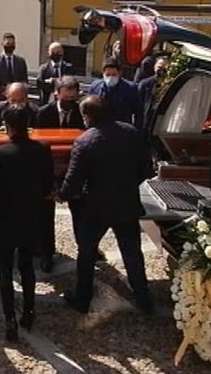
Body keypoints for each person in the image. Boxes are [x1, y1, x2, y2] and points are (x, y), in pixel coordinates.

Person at [59, 95, 152, 314]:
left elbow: (74, 180)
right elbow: (146, 169)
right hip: (126, 202)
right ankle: (144, 298)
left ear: (86, 116)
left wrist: (61, 195)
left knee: (87, 253)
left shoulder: (85, 141)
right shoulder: (130, 132)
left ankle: (82, 298)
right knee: (132, 253)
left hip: (95, 208)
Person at [0, 103, 54, 342]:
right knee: (26, 266)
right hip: (31, 216)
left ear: (7, 126)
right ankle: (30, 311)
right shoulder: (42, 149)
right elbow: (47, 185)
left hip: (5, 218)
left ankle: (9, 318)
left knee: (4, 269)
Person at [34, 76, 85, 273]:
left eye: (73, 98)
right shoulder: (43, 113)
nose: (69, 103)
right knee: (45, 215)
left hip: (73, 171)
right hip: (47, 171)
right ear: (56, 95)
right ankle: (47, 252)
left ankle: (85, 248)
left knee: (80, 212)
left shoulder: (81, 112)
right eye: (66, 98)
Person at [88, 56, 143, 130]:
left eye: (114, 75)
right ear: (103, 73)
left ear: (119, 73)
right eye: (107, 74)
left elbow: (138, 112)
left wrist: (136, 131)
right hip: (100, 129)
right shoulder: (95, 86)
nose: (110, 77)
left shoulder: (130, 88)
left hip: (122, 130)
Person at [0, 32, 28, 104]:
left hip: (17, 100)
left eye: (13, 44)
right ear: (2, 44)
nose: (10, 46)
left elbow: (24, 80)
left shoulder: (21, 61)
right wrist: (7, 91)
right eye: (8, 43)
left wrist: (17, 91)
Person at [138, 55, 169, 127]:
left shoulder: (170, 84)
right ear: (154, 67)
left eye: (165, 68)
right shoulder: (145, 84)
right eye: (159, 67)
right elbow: (137, 105)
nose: (161, 70)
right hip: (145, 122)